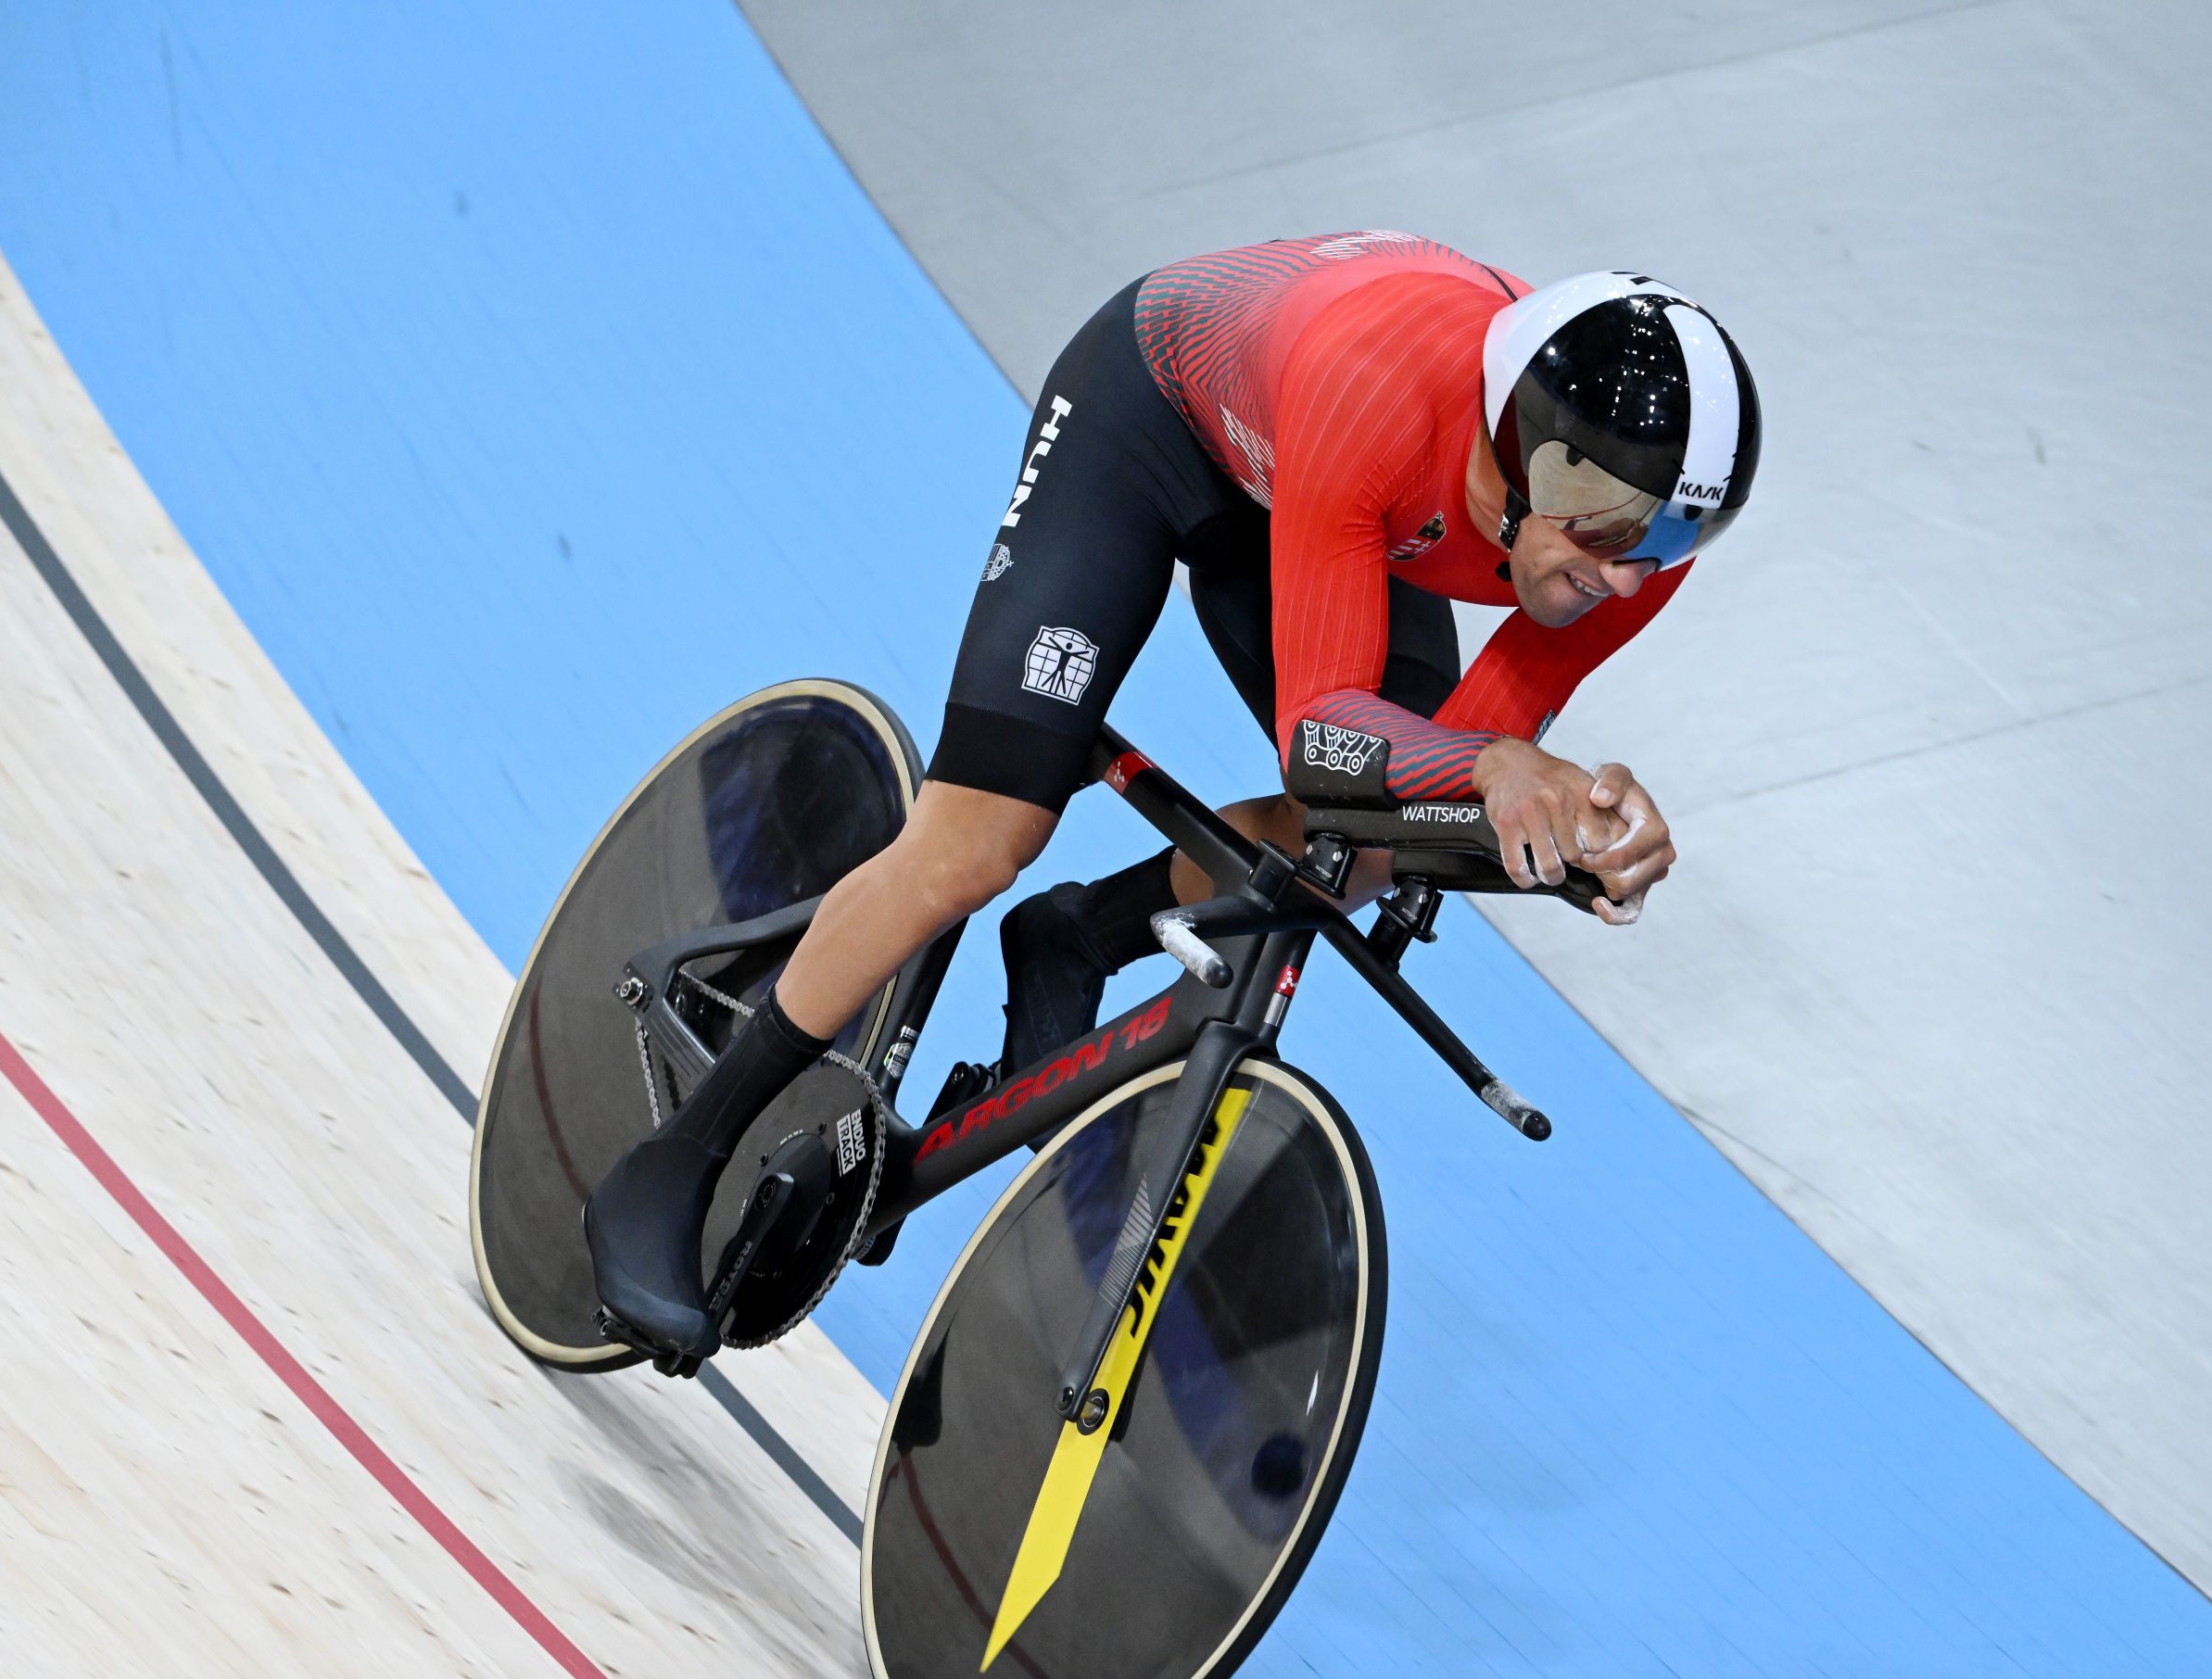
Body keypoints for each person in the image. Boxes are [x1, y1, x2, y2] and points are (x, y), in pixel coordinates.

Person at [585, 234, 1763, 1361]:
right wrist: (1499, 771)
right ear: (1522, 444)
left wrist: (1570, 841)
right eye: (1607, 521)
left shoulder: (1627, 566)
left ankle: (1080, 933)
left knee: (1367, 853)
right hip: (1155, 422)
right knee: (980, 838)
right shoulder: (1383, 389)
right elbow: (1324, 746)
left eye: (1669, 534)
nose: (1624, 571)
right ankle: (686, 1150)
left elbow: (1437, 780)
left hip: (1323, 498)